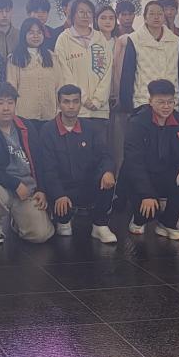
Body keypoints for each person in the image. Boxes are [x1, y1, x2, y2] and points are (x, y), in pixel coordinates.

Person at [0, 81, 54, 244]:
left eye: (10, 103)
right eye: (0, 103)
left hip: (27, 189)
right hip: (1, 187)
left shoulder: (26, 126)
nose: (6, 108)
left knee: (41, 235)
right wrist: (15, 184)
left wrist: (41, 189)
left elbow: (39, 161)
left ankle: (17, 222)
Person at [38, 85, 117, 244]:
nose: (71, 106)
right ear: (59, 103)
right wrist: (58, 194)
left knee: (107, 177)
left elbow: (105, 155)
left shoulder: (91, 127)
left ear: (80, 103)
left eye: (75, 101)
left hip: (86, 184)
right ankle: (63, 220)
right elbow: (48, 168)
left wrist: (108, 171)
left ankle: (100, 225)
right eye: (66, 101)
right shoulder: (47, 130)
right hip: (62, 189)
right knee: (65, 233)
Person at [121, 79, 179, 240]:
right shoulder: (137, 123)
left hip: (166, 172)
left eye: (170, 102)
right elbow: (134, 162)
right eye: (161, 102)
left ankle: (167, 224)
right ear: (150, 101)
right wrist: (146, 194)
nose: (166, 106)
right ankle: (138, 220)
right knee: (147, 211)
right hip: (142, 175)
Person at [53, 0, 112, 136]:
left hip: (99, 111)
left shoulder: (101, 38)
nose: (86, 15)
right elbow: (64, 73)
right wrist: (83, 99)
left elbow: (108, 71)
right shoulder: (64, 39)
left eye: (89, 12)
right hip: (74, 109)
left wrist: (97, 100)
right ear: (73, 14)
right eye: (81, 12)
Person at [116, 0, 179, 111]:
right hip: (143, 100)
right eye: (152, 14)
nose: (156, 17)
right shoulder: (134, 39)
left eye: (160, 14)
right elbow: (128, 72)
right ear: (145, 17)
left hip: (171, 101)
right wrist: (126, 103)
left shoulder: (176, 41)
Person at [9, 17, 59, 129]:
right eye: (31, 33)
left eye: (39, 32)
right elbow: (11, 88)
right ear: (24, 35)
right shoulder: (15, 58)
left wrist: (59, 110)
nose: (36, 36)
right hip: (24, 116)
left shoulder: (52, 57)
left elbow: (59, 85)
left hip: (49, 115)